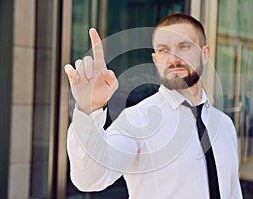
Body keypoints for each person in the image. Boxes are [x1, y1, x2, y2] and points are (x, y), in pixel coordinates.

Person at [64, 13, 243, 199]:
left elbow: (233, 193)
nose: (174, 59)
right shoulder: (138, 120)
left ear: (205, 54)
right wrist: (89, 108)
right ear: (156, 60)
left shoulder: (224, 125)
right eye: (164, 50)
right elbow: (90, 178)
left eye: (184, 46)